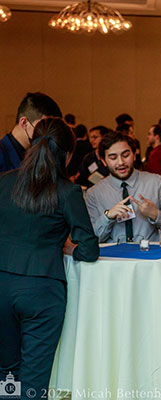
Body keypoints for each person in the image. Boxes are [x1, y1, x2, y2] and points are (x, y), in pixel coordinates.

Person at [0, 117, 99, 399]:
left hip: (1, 283)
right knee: (33, 381)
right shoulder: (67, 192)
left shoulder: (5, 182)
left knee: (7, 374)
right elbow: (90, 248)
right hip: (41, 290)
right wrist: (69, 248)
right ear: (68, 155)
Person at [86, 132, 161, 243]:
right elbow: (92, 238)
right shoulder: (94, 193)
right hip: (113, 258)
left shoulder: (157, 183)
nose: (121, 162)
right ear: (104, 161)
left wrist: (155, 214)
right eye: (113, 158)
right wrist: (108, 217)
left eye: (126, 155)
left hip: (152, 255)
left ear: (134, 155)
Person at [0, 92, 62, 172]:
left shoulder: (39, 155)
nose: (48, 133)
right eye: (42, 126)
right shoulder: (2, 156)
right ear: (24, 123)